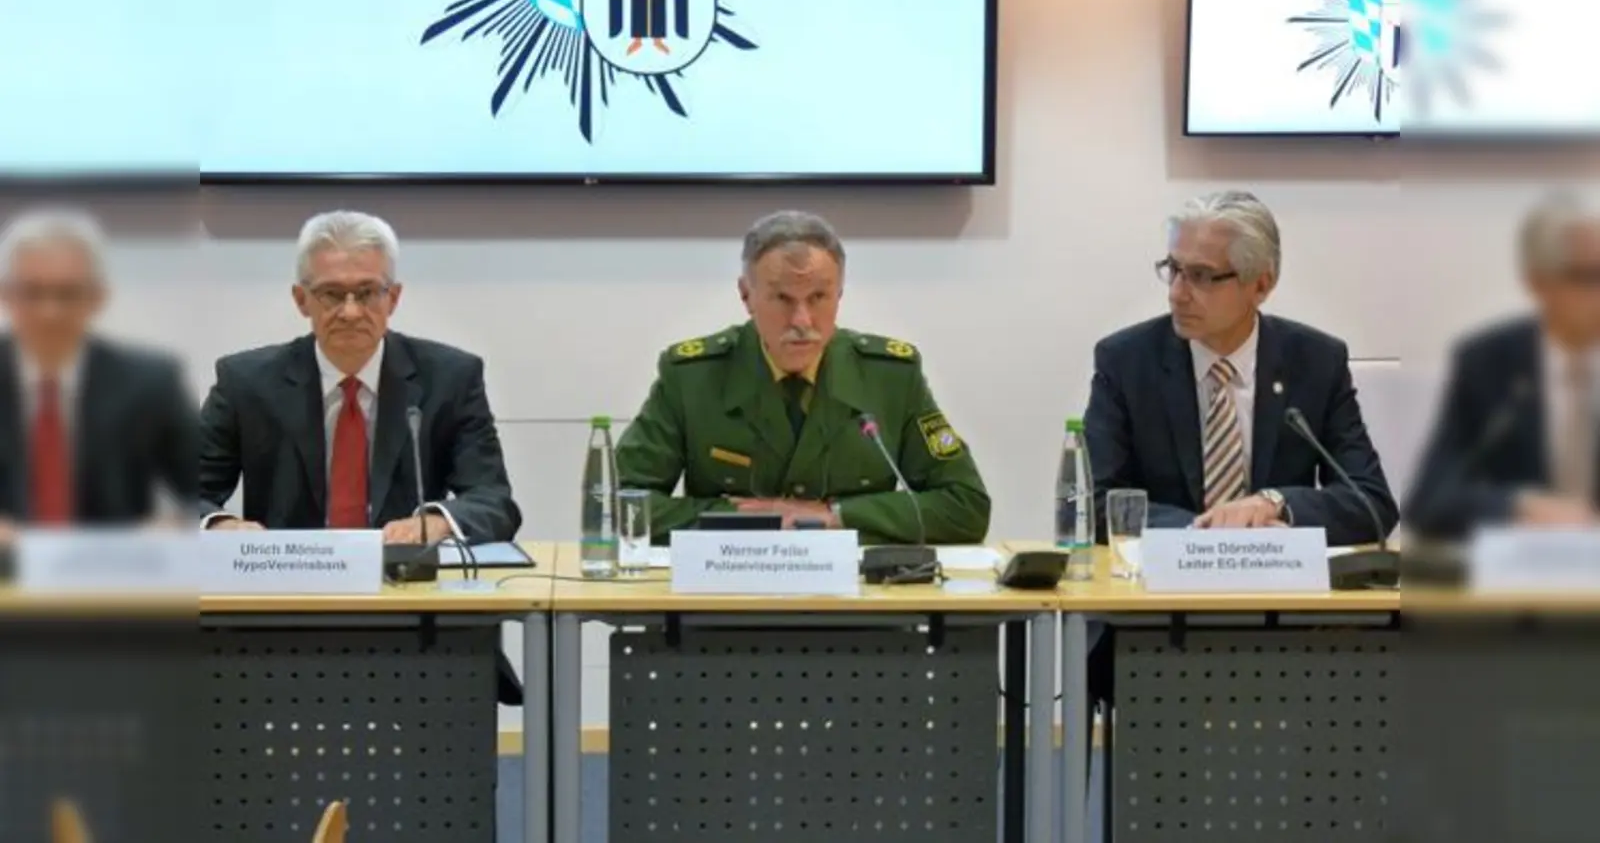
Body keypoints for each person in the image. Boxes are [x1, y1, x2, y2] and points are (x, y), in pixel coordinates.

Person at [196, 210, 522, 702]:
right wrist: (220, 526)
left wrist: (437, 521)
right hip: (280, 619)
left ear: (394, 298)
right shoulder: (247, 382)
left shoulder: (449, 378)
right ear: (301, 300)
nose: (350, 312)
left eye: (367, 292)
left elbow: (493, 499)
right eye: (331, 294)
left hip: (413, 619)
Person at [615, 209, 990, 546]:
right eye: (782, 299)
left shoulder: (891, 377)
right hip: (728, 588)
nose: (801, 321)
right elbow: (618, 504)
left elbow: (966, 506)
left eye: (818, 297)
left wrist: (836, 516)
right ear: (746, 296)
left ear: (839, 294)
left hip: (857, 596)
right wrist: (749, 519)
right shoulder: (692, 378)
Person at [1083, 190, 1398, 547]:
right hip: (1161, 578)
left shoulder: (1316, 363)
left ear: (1261, 285)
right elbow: (1093, 503)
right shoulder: (1126, 361)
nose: (1176, 293)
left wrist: (1274, 504)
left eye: (1201, 275)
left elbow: (1371, 502)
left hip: (1277, 578)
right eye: (1173, 269)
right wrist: (1205, 535)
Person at [1405, 191, 1600, 537]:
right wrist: (1518, 507)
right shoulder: (1490, 364)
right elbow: (1430, 501)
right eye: (1588, 277)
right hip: (1524, 562)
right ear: (1539, 282)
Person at [0, 207, 197, 537]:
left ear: (98, 297)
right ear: (5, 295)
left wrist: (178, 527)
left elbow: (203, 491)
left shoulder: (150, 383)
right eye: (32, 292)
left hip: (117, 566)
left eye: (67, 294)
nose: (50, 312)